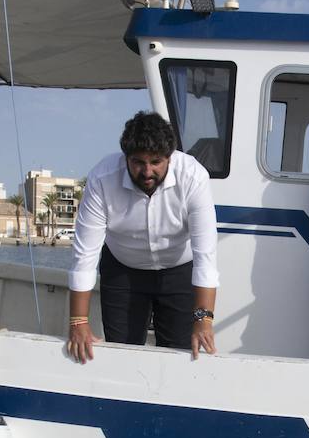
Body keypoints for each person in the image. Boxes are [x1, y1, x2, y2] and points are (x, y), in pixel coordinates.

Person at [66, 111, 218, 363]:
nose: (147, 171)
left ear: (170, 158)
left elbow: (206, 257)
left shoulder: (193, 177)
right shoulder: (101, 178)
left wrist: (204, 320)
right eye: (138, 162)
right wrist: (78, 321)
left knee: (179, 356)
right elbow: (85, 255)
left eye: (156, 162)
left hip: (178, 271)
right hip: (122, 271)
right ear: (125, 158)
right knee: (122, 355)